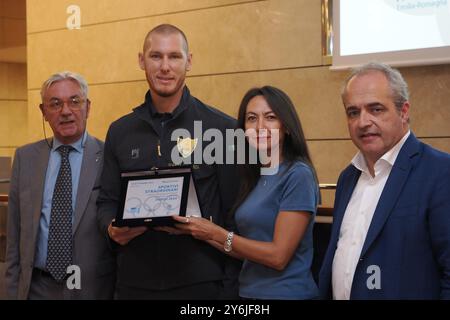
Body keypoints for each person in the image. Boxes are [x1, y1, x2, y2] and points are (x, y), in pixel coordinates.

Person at [96, 24, 240, 299]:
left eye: (174, 56)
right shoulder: (120, 131)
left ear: (189, 62)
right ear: (141, 61)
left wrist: (228, 291)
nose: (165, 66)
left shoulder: (222, 129)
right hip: (133, 284)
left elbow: (235, 216)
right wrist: (111, 229)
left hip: (201, 285)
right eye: (156, 56)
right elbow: (106, 201)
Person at [169, 86, 320, 300]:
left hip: (288, 295)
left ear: (285, 126)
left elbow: (278, 256)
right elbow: (242, 249)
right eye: (251, 119)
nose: (260, 127)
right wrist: (196, 229)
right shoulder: (255, 176)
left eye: (270, 117)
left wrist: (216, 232)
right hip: (249, 294)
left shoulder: (298, 175)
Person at [319, 62, 450, 299]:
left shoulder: (440, 172)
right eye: (353, 112)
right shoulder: (348, 177)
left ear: (404, 111)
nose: (363, 122)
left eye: (376, 109)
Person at [5, 71, 116, 299]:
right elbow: (14, 240)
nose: (65, 111)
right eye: (55, 104)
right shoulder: (25, 158)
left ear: (88, 107)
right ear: (43, 112)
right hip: (37, 288)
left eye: (75, 101)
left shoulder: (109, 157)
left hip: (92, 289)